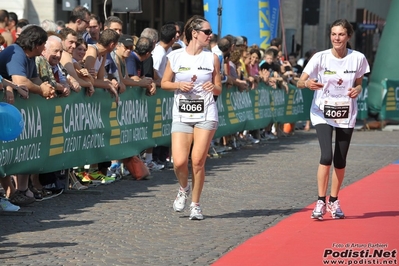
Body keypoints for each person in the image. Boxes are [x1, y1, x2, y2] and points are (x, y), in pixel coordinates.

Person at [297, 19, 370, 220]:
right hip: (322, 112)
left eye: (341, 34)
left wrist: (357, 89)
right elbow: (299, 81)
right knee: (326, 156)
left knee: (340, 160)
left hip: (346, 112)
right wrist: (308, 83)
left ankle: (334, 200)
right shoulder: (320, 58)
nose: (336, 38)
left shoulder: (358, 58)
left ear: (348, 36)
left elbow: (359, 84)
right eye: (333, 34)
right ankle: (320, 200)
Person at [161, 15, 222, 220]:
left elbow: (219, 87)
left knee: (197, 161)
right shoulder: (176, 56)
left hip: (206, 113)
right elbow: (164, 83)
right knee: (179, 162)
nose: (210, 35)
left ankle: (195, 205)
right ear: (194, 33)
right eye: (207, 32)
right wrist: (179, 85)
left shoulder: (212, 57)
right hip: (182, 113)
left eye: (210, 32)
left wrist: (213, 87)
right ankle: (183, 188)